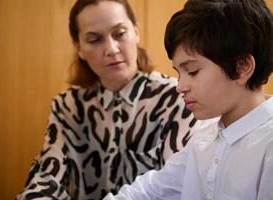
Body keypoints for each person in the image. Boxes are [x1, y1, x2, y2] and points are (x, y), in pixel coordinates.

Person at [16, 0, 198, 199]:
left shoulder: (177, 97)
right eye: (94, 40)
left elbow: (178, 186)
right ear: (78, 48)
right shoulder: (68, 107)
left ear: (136, 32)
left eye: (119, 34)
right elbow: (46, 179)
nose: (111, 49)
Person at [104, 0, 273, 199]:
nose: (179, 86)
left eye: (192, 71)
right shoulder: (205, 137)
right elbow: (152, 189)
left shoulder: (267, 146)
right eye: (179, 72)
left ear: (242, 67)